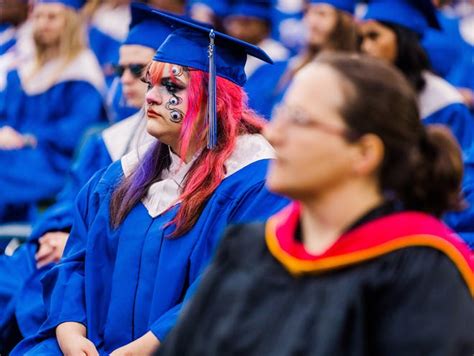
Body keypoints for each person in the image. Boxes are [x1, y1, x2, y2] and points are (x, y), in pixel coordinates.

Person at [14, 4, 289, 354]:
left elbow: (233, 286)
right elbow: (77, 262)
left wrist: (146, 346)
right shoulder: (123, 176)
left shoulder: (254, 182)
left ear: (215, 101)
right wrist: (70, 331)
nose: (151, 97)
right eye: (150, 83)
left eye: (171, 85)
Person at [158, 53, 474, 356]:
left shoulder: (422, 272)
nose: (274, 133)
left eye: (299, 119)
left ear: (364, 153)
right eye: (281, 113)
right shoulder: (246, 249)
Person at [0, 3, 165, 351]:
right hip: (65, 253)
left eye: (139, 69)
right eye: (120, 69)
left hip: (98, 273)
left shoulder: (179, 153)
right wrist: (55, 232)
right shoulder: (111, 141)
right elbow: (71, 200)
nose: (125, 80)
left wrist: (76, 242)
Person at [0, 0, 105, 222]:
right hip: (17, 155)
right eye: (38, 17)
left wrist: (28, 138)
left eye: (52, 17)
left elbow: (77, 130)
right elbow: (7, 114)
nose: (43, 24)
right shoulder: (27, 69)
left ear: (70, 22)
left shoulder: (81, 71)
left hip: (55, 163)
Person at [359, 0, 474, 152]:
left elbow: (463, 170)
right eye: (361, 39)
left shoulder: (445, 105)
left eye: (374, 36)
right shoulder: (360, 94)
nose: (364, 47)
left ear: (402, 39)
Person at [245, 0, 358, 119]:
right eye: (307, 12)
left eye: (321, 14)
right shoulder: (272, 70)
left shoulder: (348, 77)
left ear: (344, 23)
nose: (310, 21)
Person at [223, 0, 289, 78]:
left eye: (245, 23)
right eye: (232, 22)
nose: (236, 30)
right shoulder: (229, 53)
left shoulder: (276, 56)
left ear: (265, 27)